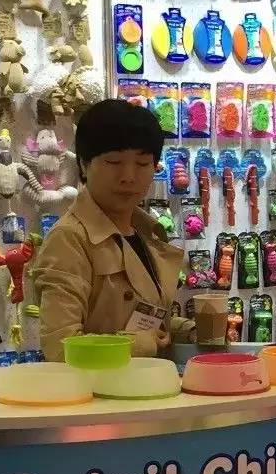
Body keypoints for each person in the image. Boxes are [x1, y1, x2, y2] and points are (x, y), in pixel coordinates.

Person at [34, 99, 188, 362]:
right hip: (100, 388)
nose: (129, 176)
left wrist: (185, 330)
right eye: (114, 162)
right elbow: (60, 349)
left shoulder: (143, 231)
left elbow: (140, 315)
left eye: (142, 163)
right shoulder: (69, 238)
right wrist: (138, 345)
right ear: (84, 165)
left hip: (141, 383)